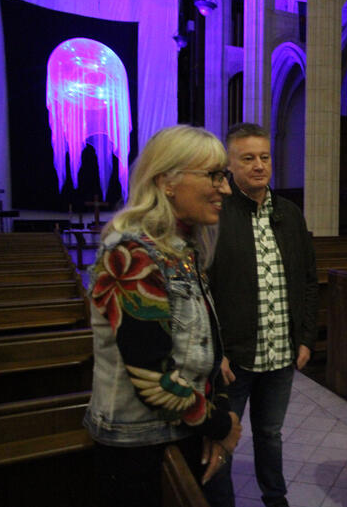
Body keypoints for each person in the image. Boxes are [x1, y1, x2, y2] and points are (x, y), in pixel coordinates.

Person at [84, 125, 242, 507]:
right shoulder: (132, 254)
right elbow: (152, 375)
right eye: (214, 176)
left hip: (179, 428)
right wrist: (222, 425)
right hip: (140, 446)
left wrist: (214, 414)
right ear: (166, 181)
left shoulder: (181, 247)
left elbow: (207, 347)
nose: (225, 189)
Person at [207, 122, 318, 507]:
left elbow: (307, 279)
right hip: (234, 357)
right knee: (226, 435)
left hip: (281, 353)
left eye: (265, 157)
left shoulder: (289, 212)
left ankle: (275, 496)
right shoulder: (217, 214)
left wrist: (305, 337)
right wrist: (214, 351)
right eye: (248, 158)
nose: (259, 165)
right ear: (230, 166)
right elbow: (204, 290)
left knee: (270, 432)